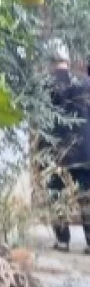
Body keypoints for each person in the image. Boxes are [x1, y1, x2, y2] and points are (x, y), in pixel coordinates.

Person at [45, 50, 90, 251]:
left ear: (51, 62)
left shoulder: (45, 84)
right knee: (86, 196)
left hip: (56, 151)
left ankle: (63, 241)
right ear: (68, 62)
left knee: (56, 195)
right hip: (84, 149)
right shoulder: (85, 83)